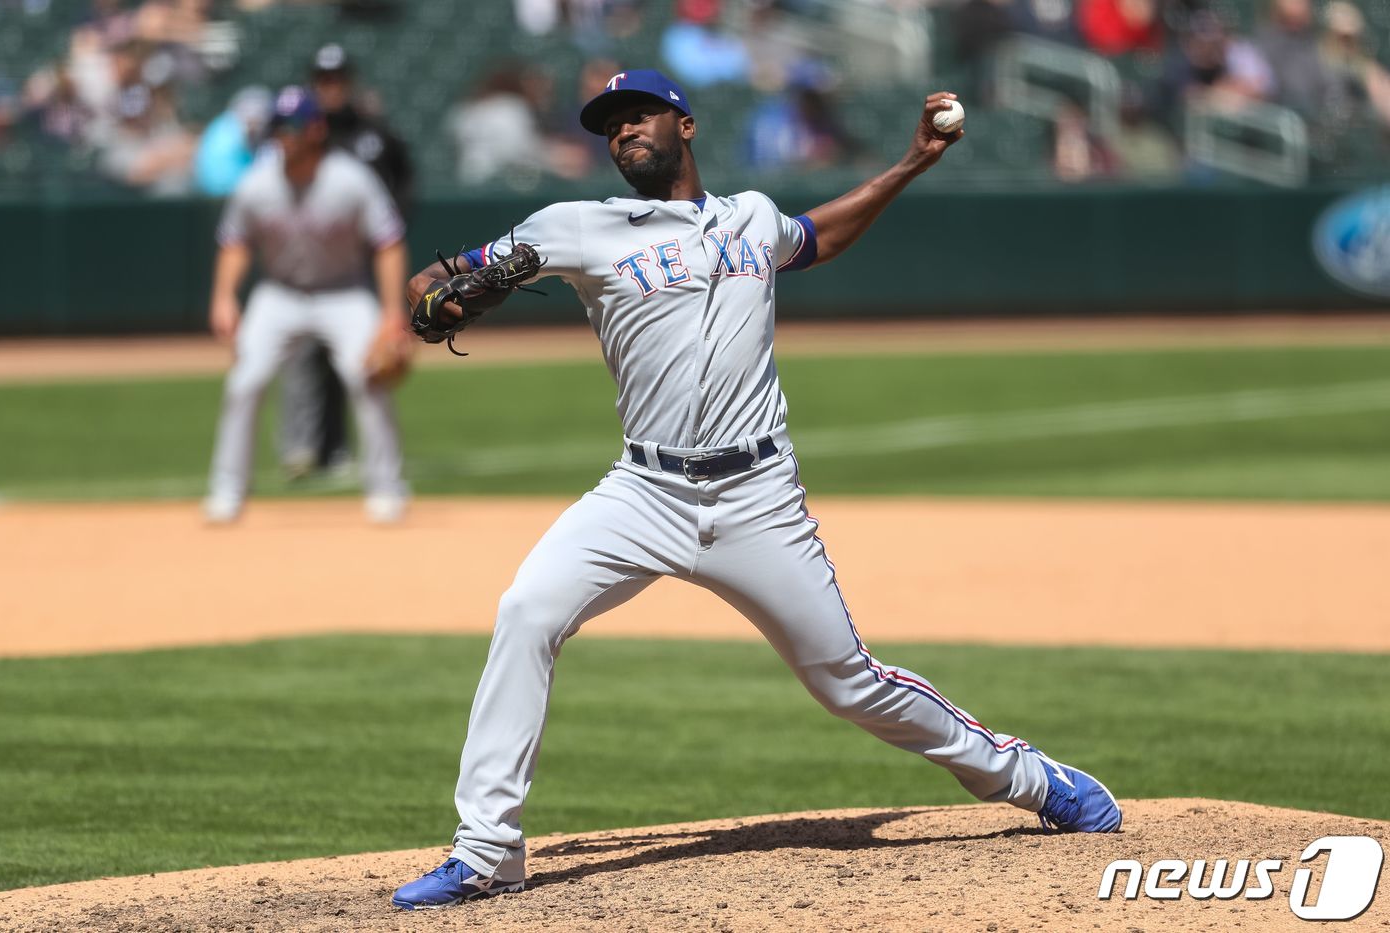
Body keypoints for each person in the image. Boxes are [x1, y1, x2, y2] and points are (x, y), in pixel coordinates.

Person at [392, 69, 1122, 911]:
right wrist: (438, 302)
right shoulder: (574, 226)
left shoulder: (752, 216)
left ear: (686, 125)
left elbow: (818, 236)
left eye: (640, 115)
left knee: (847, 681)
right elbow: (431, 280)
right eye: (611, 124)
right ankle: (488, 850)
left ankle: (1028, 777)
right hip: (643, 493)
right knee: (527, 611)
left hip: (757, 497)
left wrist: (912, 162)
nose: (624, 130)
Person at [203, 86, 410, 524]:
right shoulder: (257, 184)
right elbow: (235, 243)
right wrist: (223, 297)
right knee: (244, 382)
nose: (284, 136)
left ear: (316, 130)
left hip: (344, 291)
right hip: (279, 294)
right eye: (279, 127)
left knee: (366, 377)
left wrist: (392, 312)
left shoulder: (351, 180)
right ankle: (227, 491)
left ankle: (387, 488)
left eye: (292, 127)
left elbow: (388, 243)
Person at [276, 44, 418, 481]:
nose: (331, 87)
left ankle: (350, 452)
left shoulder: (373, 131)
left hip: (368, 258)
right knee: (304, 353)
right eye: (324, 79)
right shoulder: (304, 135)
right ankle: (304, 448)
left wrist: (391, 227)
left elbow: (405, 177)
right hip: (318, 261)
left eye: (337, 79)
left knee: (363, 358)